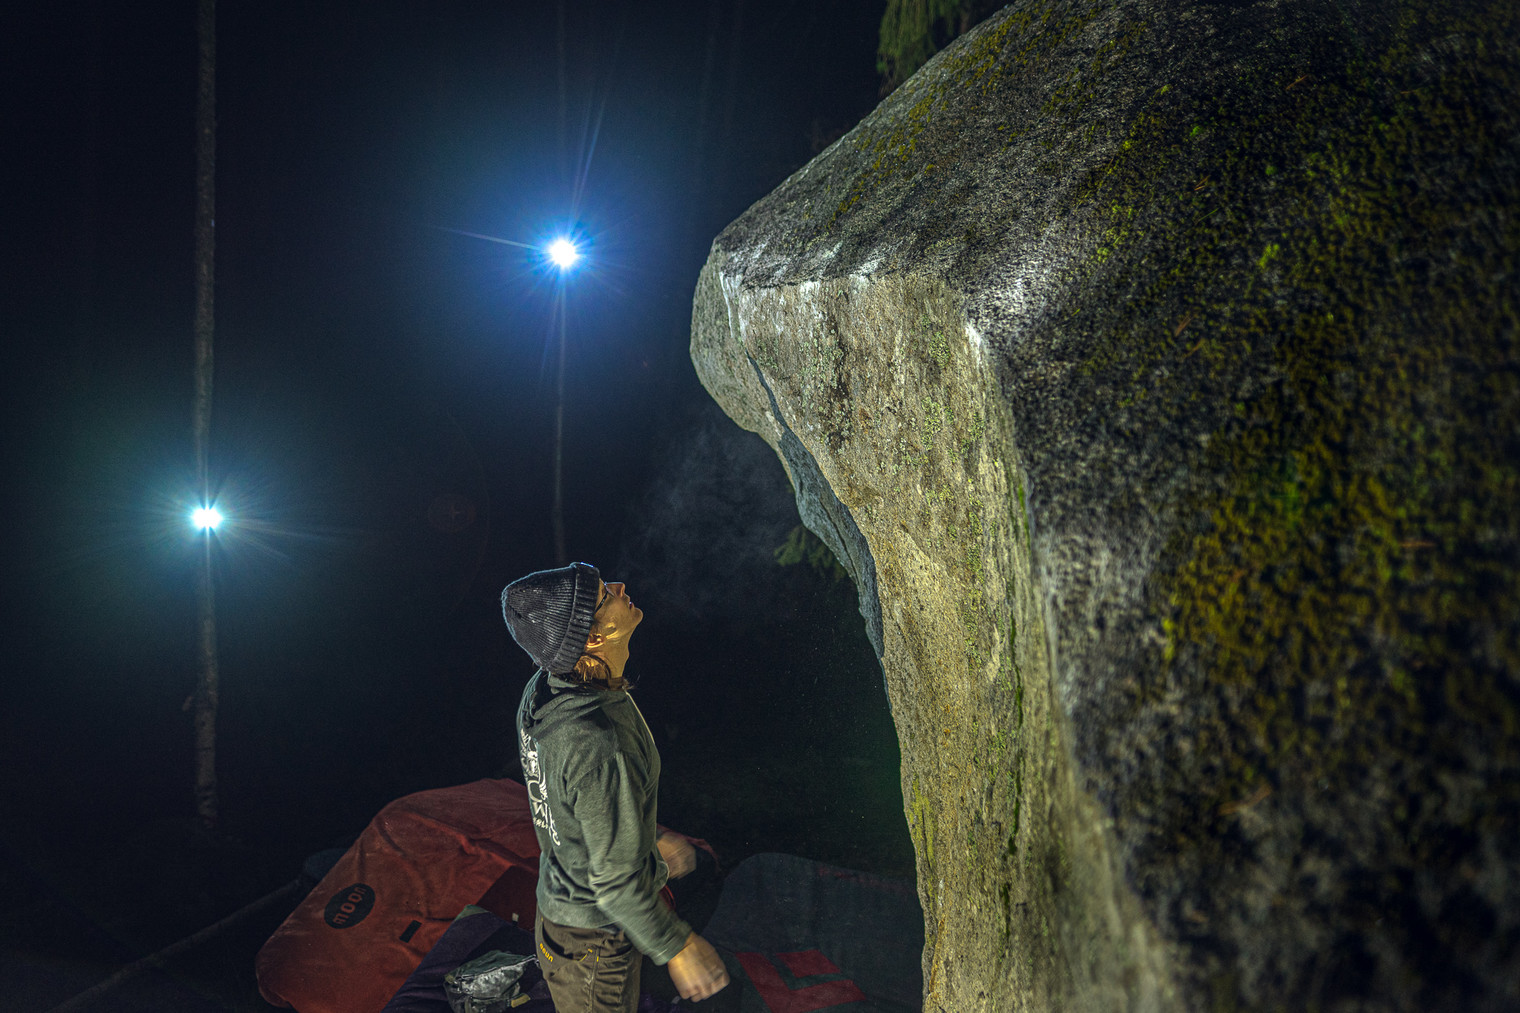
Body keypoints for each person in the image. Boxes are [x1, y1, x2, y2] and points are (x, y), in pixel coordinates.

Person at [501, 561, 730, 1011]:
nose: (621, 587)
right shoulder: (599, 743)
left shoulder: (543, 691)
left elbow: (572, 800)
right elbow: (613, 884)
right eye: (606, 594)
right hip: (594, 947)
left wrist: (643, 838)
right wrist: (678, 947)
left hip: (559, 907)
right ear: (592, 639)